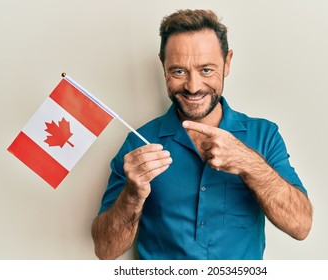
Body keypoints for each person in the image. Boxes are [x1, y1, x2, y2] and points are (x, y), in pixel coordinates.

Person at [91, 9, 312, 260]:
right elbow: (105, 250)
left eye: (206, 70)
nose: (193, 87)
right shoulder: (138, 143)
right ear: (163, 66)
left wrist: (249, 163)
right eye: (178, 71)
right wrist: (132, 195)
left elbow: (300, 226)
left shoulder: (264, 135)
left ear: (227, 63)